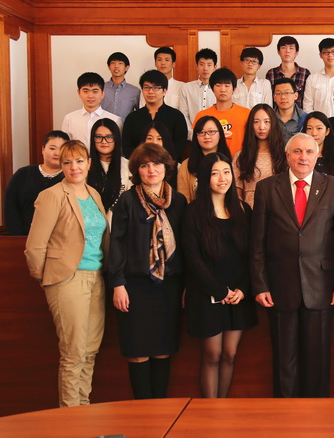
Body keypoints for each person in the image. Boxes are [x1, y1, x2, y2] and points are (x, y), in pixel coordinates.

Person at [250, 133, 334, 397]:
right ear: (287, 156)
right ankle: (285, 414)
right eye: (297, 151)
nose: (303, 157)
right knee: (284, 360)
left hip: (321, 286)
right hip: (280, 286)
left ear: (317, 156)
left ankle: (317, 414)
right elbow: (257, 241)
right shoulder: (267, 188)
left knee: (318, 360)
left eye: (308, 152)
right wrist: (260, 284)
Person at [24, 140, 108, 407]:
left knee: (90, 351)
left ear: (89, 164)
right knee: (73, 354)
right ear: (61, 166)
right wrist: (43, 277)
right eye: (68, 162)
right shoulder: (52, 195)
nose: (74, 167)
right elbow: (35, 244)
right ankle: (70, 420)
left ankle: (84, 411)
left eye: (79, 161)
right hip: (67, 279)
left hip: (96, 278)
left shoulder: (94, 194)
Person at [108, 143, 187, 399]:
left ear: (166, 168)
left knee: (163, 349)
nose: (151, 169)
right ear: (137, 171)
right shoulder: (128, 200)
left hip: (169, 286)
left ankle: (160, 409)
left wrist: (187, 286)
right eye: (144, 165)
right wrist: (118, 284)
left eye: (156, 164)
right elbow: (117, 244)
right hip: (134, 286)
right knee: (138, 351)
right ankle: (141, 408)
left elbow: (186, 245)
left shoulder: (179, 201)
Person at [183, 153, 257, 398]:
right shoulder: (193, 212)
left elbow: (252, 255)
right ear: (205, 178)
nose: (222, 178)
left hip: (237, 294)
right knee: (212, 354)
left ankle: (222, 406)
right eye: (215, 173)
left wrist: (242, 289)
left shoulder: (243, 210)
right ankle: (209, 410)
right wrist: (219, 291)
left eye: (226, 172)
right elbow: (193, 258)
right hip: (207, 293)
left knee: (229, 354)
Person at [4, 130, 69, 235]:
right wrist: (18, 236)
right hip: (22, 237)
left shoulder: (70, 178)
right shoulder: (23, 174)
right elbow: (10, 207)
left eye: (62, 149)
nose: (57, 153)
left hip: (57, 239)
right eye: (52, 148)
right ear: (43, 149)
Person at [122, 69, 188, 160]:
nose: (151, 91)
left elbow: (179, 144)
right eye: (146, 87)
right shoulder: (132, 118)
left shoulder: (176, 116)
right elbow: (127, 147)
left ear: (164, 91)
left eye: (156, 88)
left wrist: (161, 161)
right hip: (140, 165)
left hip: (168, 165)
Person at [233, 104, 287, 207]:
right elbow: (237, 191)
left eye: (267, 122)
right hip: (250, 209)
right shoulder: (241, 156)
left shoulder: (284, 155)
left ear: (273, 124)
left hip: (277, 209)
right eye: (256, 122)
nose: (261, 127)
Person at [193, 67, 251, 155]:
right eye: (218, 85)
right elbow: (196, 144)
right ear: (212, 88)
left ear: (234, 89)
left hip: (239, 161)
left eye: (227, 86)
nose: (223, 89)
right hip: (211, 161)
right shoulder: (202, 116)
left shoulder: (246, 114)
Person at [178, 116, 231, 203]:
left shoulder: (231, 162)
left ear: (220, 134)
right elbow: (184, 199)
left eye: (211, 132)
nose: (206, 136)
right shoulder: (187, 164)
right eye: (201, 132)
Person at [62, 71, 122, 147]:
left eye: (95, 91)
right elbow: (65, 148)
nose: (90, 96)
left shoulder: (115, 120)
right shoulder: (69, 119)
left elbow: (118, 147)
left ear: (102, 94)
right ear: (79, 93)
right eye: (85, 91)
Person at [87, 118, 131, 217]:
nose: (104, 141)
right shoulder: (86, 165)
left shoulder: (128, 165)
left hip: (120, 220)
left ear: (116, 139)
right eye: (98, 137)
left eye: (109, 137)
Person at [178, 48, 218, 134]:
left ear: (215, 67)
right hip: (193, 135)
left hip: (216, 135)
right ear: (196, 66)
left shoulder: (220, 88)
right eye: (202, 64)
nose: (205, 68)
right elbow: (184, 115)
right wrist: (191, 133)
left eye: (209, 65)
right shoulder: (186, 88)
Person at [265, 36, 311, 106]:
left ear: (297, 52)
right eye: (283, 47)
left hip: (299, 112)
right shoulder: (271, 73)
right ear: (278, 52)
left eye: (291, 48)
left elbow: (307, 100)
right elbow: (269, 99)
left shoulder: (305, 73)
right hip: (276, 112)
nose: (287, 51)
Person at [102, 51, 140, 120]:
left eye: (120, 63)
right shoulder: (101, 88)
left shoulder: (135, 91)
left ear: (127, 67)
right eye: (113, 63)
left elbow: (139, 113)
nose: (116, 66)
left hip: (126, 126)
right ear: (109, 67)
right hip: (103, 126)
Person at [272, 77, 307, 142]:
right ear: (274, 98)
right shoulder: (268, 118)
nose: (283, 97)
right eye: (278, 93)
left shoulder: (305, 119)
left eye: (287, 93)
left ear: (296, 96)